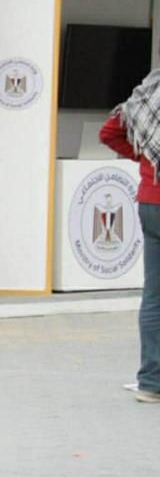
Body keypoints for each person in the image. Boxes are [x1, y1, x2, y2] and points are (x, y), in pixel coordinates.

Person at [100, 73, 160, 403]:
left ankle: (151, 382)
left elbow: (109, 132)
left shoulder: (148, 92)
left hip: (151, 202)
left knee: (154, 296)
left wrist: (146, 157)